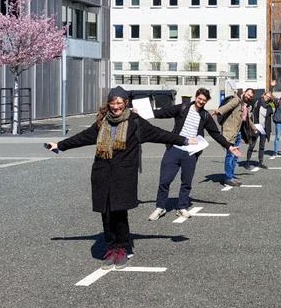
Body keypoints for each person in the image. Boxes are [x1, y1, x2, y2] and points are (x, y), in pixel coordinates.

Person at [45, 87, 197, 269]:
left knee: (119, 213)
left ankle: (122, 249)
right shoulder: (103, 122)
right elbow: (83, 137)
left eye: (119, 103)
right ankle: (110, 249)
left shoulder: (135, 122)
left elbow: (159, 134)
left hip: (123, 176)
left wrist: (185, 140)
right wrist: (60, 145)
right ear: (108, 104)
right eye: (112, 103)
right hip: (102, 173)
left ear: (125, 103)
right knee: (106, 213)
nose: (116, 107)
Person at [147, 88, 241, 221]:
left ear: (206, 101)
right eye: (200, 98)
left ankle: (182, 207)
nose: (201, 102)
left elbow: (215, 134)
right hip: (174, 148)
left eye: (204, 100)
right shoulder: (183, 108)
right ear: (196, 97)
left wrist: (229, 146)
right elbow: (163, 113)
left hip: (191, 152)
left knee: (186, 182)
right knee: (165, 180)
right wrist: (143, 113)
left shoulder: (205, 116)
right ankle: (160, 207)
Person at [216, 87, 255, 186]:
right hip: (230, 132)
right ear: (245, 92)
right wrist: (218, 111)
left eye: (251, 96)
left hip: (238, 133)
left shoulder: (245, 105)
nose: (249, 97)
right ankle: (228, 178)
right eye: (248, 94)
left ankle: (231, 176)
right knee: (230, 155)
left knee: (235, 156)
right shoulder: (236, 100)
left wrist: (254, 128)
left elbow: (247, 119)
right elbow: (228, 107)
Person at [245, 90, 274, 169]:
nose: (267, 98)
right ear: (263, 95)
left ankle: (260, 162)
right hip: (256, 127)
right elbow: (248, 102)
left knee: (262, 146)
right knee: (252, 145)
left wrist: (270, 130)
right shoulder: (257, 102)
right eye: (266, 96)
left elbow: (269, 120)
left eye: (269, 97)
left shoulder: (269, 107)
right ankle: (247, 162)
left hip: (264, 129)